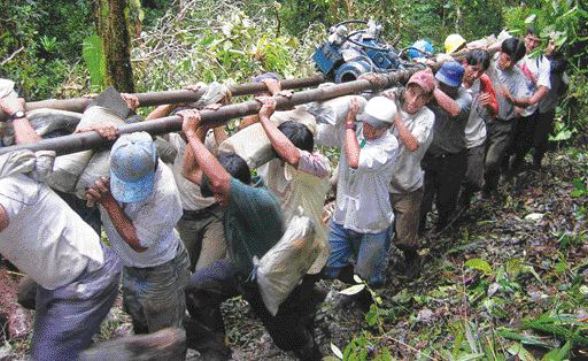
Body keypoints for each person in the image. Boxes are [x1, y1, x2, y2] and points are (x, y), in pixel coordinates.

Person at [180, 108, 323, 361]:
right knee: (197, 288)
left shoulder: (259, 202)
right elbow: (190, 172)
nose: (216, 199)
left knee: (288, 337)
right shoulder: (231, 191)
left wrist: (190, 134)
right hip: (241, 267)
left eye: (220, 194)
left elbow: (221, 182)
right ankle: (217, 349)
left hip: (269, 278)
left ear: (237, 188)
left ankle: (310, 350)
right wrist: (203, 125)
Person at [0, 96, 121, 361]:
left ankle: (139, 352)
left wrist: (17, 114)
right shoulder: (14, 167)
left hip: (86, 275)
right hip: (60, 276)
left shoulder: (9, 185)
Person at [85, 131, 191, 338]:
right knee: (140, 321)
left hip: (161, 268)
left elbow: (138, 242)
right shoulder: (106, 165)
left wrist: (108, 202)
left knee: (165, 334)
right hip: (130, 265)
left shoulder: (164, 190)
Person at [146, 83, 230, 272]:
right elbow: (144, 127)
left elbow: (228, 154)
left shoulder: (209, 138)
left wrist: (217, 116)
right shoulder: (171, 140)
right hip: (183, 216)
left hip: (214, 214)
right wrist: (172, 101)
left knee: (204, 272)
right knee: (185, 267)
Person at [322, 96, 399, 288]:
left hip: (372, 222)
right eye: (367, 124)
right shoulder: (355, 133)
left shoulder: (389, 145)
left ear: (387, 128)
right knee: (329, 264)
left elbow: (355, 160)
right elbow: (322, 134)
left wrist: (349, 124)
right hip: (343, 216)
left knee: (368, 274)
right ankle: (358, 283)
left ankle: (371, 299)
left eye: (377, 128)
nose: (370, 130)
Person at [256, 97, 331, 277]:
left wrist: (264, 118)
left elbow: (294, 157)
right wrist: (276, 95)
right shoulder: (270, 161)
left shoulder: (319, 166)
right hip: (277, 238)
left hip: (305, 238)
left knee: (304, 274)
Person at [382, 70, 435, 278]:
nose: (414, 100)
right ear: (405, 91)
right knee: (379, 230)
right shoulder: (392, 104)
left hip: (407, 187)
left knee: (405, 238)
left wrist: (394, 114)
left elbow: (412, 143)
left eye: (421, 96)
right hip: (384, 183)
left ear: (428, 99)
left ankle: (413, 259)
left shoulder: (427, 117)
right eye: (412, 93)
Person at [420, 61, 472, 233]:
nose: (442, 87)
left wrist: (433, 88)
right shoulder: (434, 92)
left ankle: (443, 227)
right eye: (440, 83)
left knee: (446, 199)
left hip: (452, 158)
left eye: (445, 85)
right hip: (429, 156)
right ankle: (418, 230)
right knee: (422, 198)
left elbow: (454, 110)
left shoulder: (465, 97)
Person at [482, 37, 528, 197]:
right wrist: (499, 45)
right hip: (483, 121)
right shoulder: (489, 64)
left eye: (513, 62)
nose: (508, 64)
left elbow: (526, 101)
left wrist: (512, 100)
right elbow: (480, 52)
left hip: (503, 124)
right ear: (501, 52)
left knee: (492, 161)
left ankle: (489, 188)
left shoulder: (518, 76)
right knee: (479, 159)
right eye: (506, 58)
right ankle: (480, 187)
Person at [508, 26, 552, 173]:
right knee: (506, 142)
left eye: (537, 42)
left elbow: (544, 87)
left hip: (529, 110)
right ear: (523, 37)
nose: (532, 45)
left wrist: (529, 102)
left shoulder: (543, 61)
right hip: (508, 107)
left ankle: (513, 169)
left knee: (524, 143)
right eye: (529, 39)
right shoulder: (513, 51)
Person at [459, 49, 498, 208]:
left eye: (480, 71)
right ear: (465, 64)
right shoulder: (453, 79)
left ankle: (465, 199)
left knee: (474, 179)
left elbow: (495, 109)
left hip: (476, 136)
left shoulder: (484, 82)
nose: (475, 75)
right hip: (456, 138)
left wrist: (489, 104)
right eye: (473, 69)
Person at [532, 37, 567, 169]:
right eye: (551, 44)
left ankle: (536, 162)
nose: (554, 47)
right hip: (530, 104)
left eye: (556, 44)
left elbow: (552, 68)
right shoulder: (536, 56)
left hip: (547, 105)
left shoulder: (560, 61)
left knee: (541, 136)